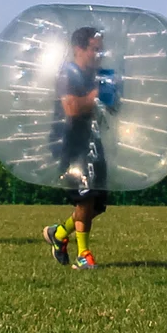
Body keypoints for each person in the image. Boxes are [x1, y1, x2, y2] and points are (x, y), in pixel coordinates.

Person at [43, 26, 115, 270]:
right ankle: (84, 255)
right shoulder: (68, 74)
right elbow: (71, 109)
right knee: (85, 199)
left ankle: (60, 234)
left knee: (96, 205)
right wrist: (98, 94)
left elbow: (105, 109)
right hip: (71, 142)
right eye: (95, 49)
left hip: (92, 141)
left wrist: (113, 98)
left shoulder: (96, 76)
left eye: (101, 50)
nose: (99, 55)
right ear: (79, 48)